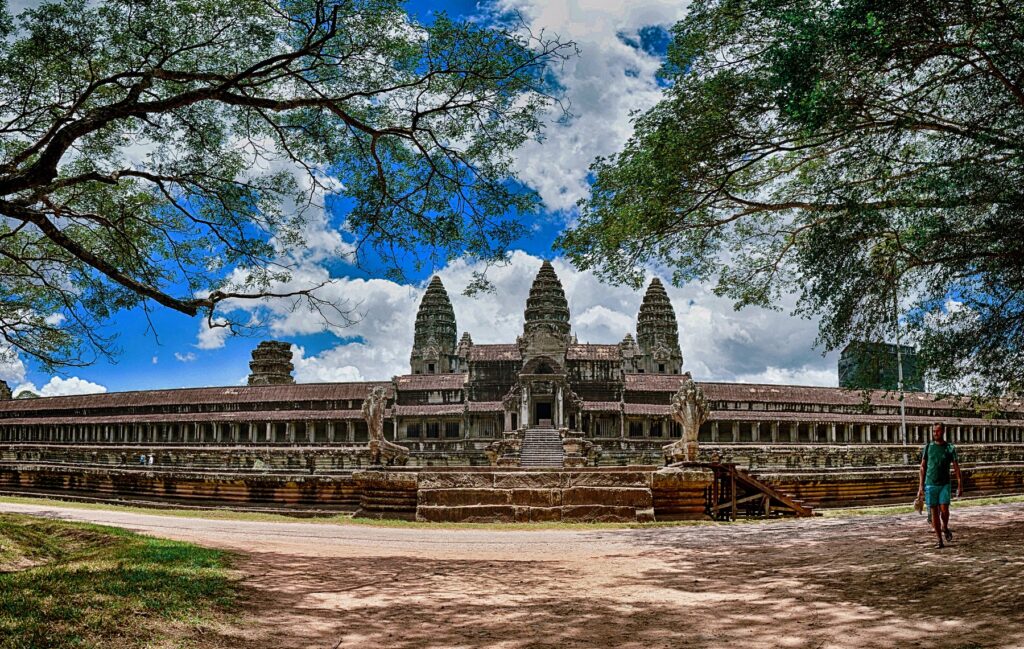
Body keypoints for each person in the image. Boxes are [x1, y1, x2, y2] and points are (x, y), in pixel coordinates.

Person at [917, 423, 963, 548]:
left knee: (944, 510)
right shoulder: (928, 447)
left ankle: (945, 527)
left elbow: (956, 467)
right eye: (933, 431)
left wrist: (960, 484)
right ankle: (939, 539)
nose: (935, 433)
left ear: (943, 432)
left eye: (937, 431)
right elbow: (923, 467)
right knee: (934, 513)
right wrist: (920, 486)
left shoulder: (949, 448)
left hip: (944, 484)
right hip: (930, 484)